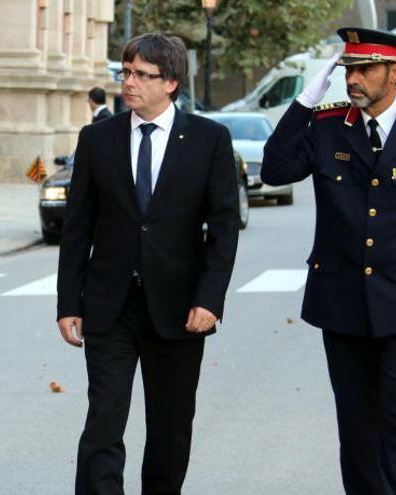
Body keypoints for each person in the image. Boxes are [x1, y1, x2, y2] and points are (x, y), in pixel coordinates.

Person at [261, 28, 396, 494]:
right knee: (357, 426)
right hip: (342, 302)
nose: (354, 80)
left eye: (365, 69)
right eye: (348, 70)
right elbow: (275, 170)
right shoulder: (325, 127)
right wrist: (305, 100)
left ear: (395, 70)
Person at [56, 33, 239, 494]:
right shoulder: (97, 138)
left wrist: (210, 299)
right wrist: (68, 302)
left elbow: (223, 230)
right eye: (126, 72)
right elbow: (77, 228)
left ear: (171, 82)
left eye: (142, 75)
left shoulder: (209, 139)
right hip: (109, 305)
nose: (129, 83)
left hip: (179, 309)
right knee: (104, 422)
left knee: (170, 427)